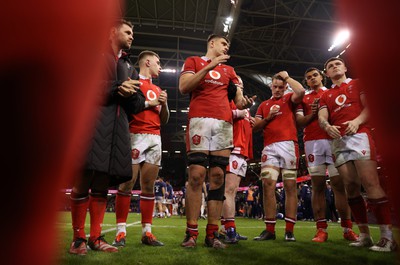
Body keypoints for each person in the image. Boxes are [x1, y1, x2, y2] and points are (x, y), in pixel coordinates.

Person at [68, 19, 146, 255]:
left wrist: (131, 93)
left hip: (117, 131)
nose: (132, 36)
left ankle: (95, 238)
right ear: (112, 32)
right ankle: (78, 238)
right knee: (83, 181)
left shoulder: (129, 66)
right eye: (128, 32)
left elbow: (139, 104)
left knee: (102, 184)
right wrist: (115, 88)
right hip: (92, 124)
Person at [179, 33, 255, 249]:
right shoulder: (193, 61)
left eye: (228, 45)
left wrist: (244, 102)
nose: (226, 47)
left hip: (223, 124)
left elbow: (239, 102)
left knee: (218, 176)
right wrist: (210, 65)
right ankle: (191, 232)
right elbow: (184, 87)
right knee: (196, 176)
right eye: (223, 43)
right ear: (212, 44)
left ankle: (212, 234)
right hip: (199, 121)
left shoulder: (230, 71)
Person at [318, 57, 396, 252]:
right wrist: (327, 126)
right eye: (330, 66)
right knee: (350, 187)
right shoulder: (325, 96)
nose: (334, 67)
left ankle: (388, 237)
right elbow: (322, 117)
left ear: (345, 67)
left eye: (337, 64)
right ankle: (364, 235)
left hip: (360, 136)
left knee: (370, 183)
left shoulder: (358, 83)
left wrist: (357, 121)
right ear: (326, 73)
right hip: (338, 141)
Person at [112, 50, 169, 247]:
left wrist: (165, 104)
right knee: (127, 184)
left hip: (155, 137)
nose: (160, 66)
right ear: (147, 62)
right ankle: (120, 232)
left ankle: (147, 233)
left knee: (148, 188)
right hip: (135, 135)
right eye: (158, 62)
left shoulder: (158, 88)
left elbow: (164, 119)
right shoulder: (133, 82)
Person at [296, 67, 358, 242]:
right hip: (312, 143)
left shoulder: (331, 93)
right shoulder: (304, 98)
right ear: (305, 81)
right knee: (318, 186)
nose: (312, 79)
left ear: (322, 77)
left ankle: (347, 228)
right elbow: (299, 122)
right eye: (308, 77)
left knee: (339, 185)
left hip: (333, 140)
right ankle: (321, 229)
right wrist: (313, 114)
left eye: (315, 75)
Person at [253, 72, 305, 242]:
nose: (277, 90)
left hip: (289, 146)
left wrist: (288, 78)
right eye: (275, 87)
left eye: (280, 87)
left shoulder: (290, 99)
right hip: (270, 148)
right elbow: (255, 127)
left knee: (290, 187)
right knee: (268, 185)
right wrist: (269, 117)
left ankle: (289, 230)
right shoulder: (263, 105)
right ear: (270, 86)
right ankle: (270, 229)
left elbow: (301, 92)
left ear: (285, 88)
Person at [220, 76, 255, 243]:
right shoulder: (227, 101)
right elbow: (220, 115)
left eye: (240, 83)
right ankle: (229, 229)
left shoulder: (245, 107)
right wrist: (236, 113)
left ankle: (224, 227)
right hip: (232, 149)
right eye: (236, 84)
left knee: (231, 192)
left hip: (242, 153)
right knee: (229, 191)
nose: (239, 86)